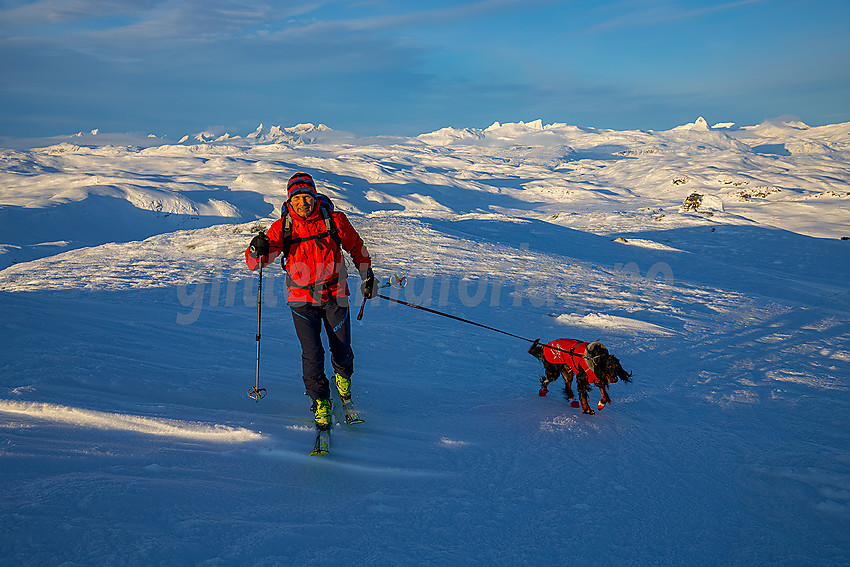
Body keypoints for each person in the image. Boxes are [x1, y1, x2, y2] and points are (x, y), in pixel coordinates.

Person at [245, 172, 375, 430]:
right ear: (289, 201)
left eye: (307, 197)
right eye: (297, 198)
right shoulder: (282, 227)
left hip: (336, 295)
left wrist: (367, 275)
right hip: (301, 299)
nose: (303, 202)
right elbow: (256, 264)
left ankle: (343, 381)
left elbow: (356, 247)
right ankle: (320, 401)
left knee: (341, 349)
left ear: (315, 197)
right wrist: (255, 249)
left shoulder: (334, 220)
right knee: (312, 354)